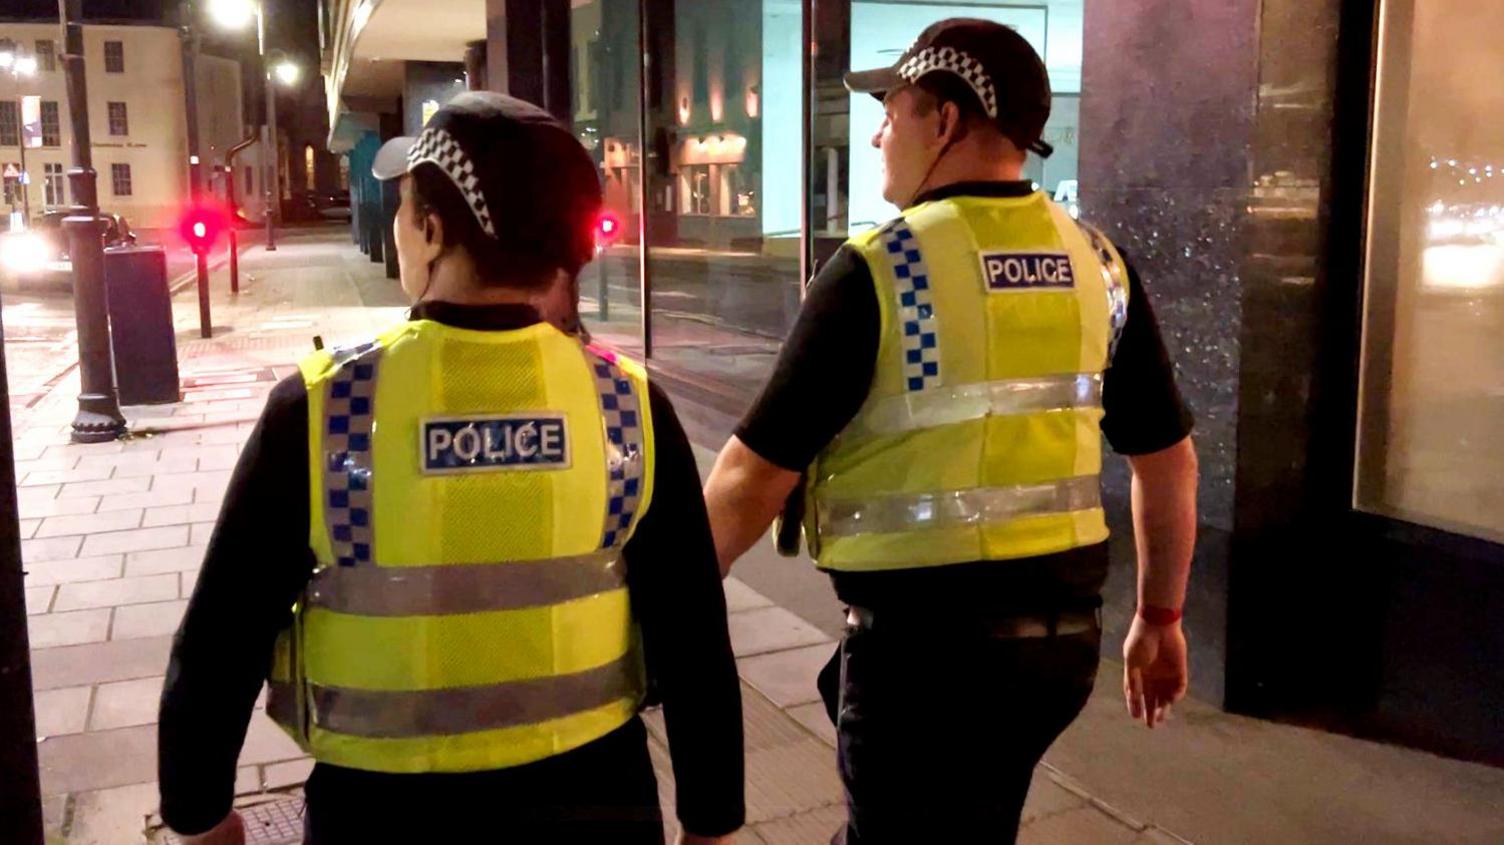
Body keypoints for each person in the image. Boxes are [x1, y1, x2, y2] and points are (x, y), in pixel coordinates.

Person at [158, 92, 744, 845]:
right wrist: (713, 822)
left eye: (405, 211)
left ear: (430, 231)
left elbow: (217, 643)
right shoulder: (627, 406)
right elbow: (695, 641)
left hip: (382, 817)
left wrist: (200, 813)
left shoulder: (325, 408)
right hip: (600, 805)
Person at [703, 18, 1199, 844]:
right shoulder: (1098, 265)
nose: (877, 135)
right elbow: (1169, 462)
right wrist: (1162, 616)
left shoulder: (884, 268)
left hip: (922, 661)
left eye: (892, 112)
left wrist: (664, 616)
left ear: (946, 122)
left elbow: (752, 477)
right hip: (1057, 653)